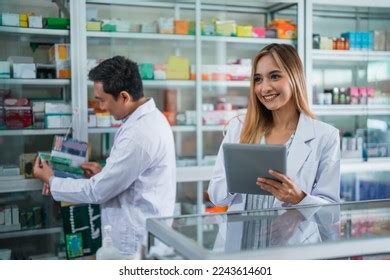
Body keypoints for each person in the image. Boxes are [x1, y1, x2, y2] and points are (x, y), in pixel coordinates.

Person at [33, 56, 176, 258]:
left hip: (134, 242)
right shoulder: (151, 118)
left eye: (102, 99)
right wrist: (106, 172)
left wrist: (51, 180)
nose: (101, 107)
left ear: (124, 97)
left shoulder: (139, 134)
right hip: (144, 231)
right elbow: (135, 174)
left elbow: (98, 191)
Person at [208, 43, 340, 212]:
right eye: (258, 79)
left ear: (295, 77)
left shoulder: (325, 136)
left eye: (275, 76)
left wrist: (299, 198)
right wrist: (237, 178)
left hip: (293, 237)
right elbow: (216, 196)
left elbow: (332, 213)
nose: (264, 88)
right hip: (241, 236)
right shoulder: (239, 127)